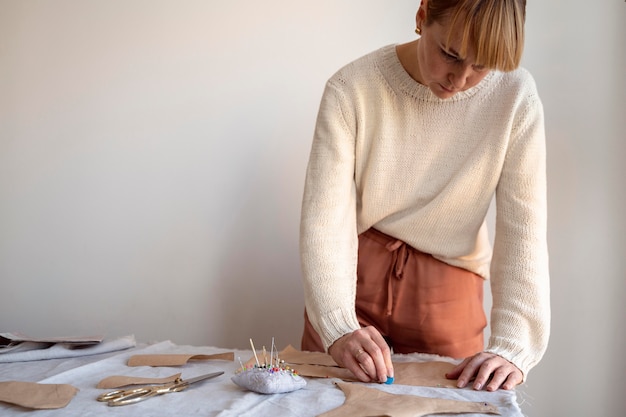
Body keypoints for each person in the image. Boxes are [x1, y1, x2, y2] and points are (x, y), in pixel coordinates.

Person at [299, 0, 550, 392]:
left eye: (481, 66)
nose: (460, 78)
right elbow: (325, 219)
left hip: (449, 294)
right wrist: (337, 325)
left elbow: (524, 229)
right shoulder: (352, 88)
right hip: (350, 282)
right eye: (449, 53)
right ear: (422, 15)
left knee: (456, 404)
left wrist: (515, 346)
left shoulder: (516, 98)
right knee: (322, 402)